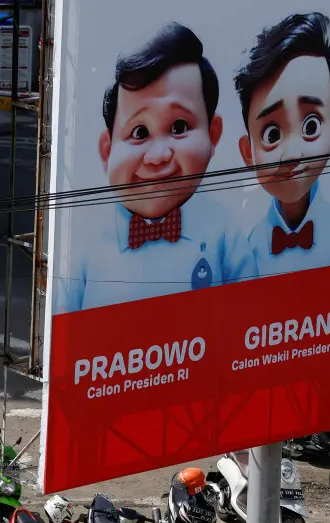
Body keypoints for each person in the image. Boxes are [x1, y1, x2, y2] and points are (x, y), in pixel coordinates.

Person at [56, 23, 258, 314]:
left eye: (179, 127)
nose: (158, 156)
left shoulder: (224, 232)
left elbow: (248, 314)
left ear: (213, 135)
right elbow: (65, 331)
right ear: (107, 150)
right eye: (139, 132)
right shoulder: (85, 244)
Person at [234, 12, 330, 277]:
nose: (293, 154)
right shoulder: (250, 247)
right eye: (271, 135)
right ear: (248, 152)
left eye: (311, 126)